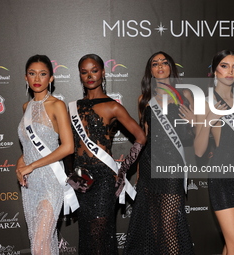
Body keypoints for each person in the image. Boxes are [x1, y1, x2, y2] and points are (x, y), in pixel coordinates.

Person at [68, 53, 146, 255]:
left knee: (100, 233)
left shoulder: (113, 106)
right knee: (86, 232)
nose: (90, 76)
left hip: (104, 178)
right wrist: (70, 173)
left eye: (94, 70)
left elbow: (141, 137)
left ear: (103, 72)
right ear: (80, 75)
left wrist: (124, 169)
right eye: (84, 72)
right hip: (80, 177)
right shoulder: (72, 107)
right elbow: (68, 145)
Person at [124, 51, 195, 254]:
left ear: (171, 67)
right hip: (148, 165)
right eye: (155, 64)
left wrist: (193, 122)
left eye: (164, 62)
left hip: (172, 165)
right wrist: (138, 170)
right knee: (154, 225)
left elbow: (197, 136)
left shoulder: (185, 95)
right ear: (151, 71)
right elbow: (143, 139)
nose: (160, 66)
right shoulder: (144, 99)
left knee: (168, 225)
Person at [194, 50, 234, 254]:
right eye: (224, 65)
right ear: (215, 70)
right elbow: (198, 150)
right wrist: (208, 121)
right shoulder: (206, 103)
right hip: (223, 176)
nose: (230, 71)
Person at [16, 54, 76, 255]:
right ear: (26, 77)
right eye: (32, 74)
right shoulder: (26, 107)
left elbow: (68, 147)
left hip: (50, 181)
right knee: (41, 242)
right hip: (31, 185)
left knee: (40, 243)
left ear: (51, 78)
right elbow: (27, 148)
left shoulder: (57, 105)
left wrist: (32, 166)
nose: (37, 79)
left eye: (43, 74)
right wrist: (20, 166)